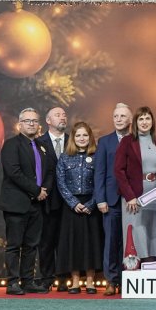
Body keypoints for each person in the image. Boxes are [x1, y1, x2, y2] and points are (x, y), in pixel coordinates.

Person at [0, 108, 53, 295]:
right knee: (14, 245)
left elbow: (49, 171)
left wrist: (44, 191)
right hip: (16, 203)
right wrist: (36, 190)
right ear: (19, 124)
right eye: (27, 121)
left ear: (39, 124)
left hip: (37, 204)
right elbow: (14, 173)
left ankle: (28, 281)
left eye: (34, 121)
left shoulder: (42, 146)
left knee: (31, 245)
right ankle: (12, 283)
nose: (31, 124)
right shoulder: (11, 145)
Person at [55, 121, 102, 294]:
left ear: (90, 137)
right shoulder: (65, 157)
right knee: (72, 243)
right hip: (71, 207)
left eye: (85, 135)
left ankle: (90, 281)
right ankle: (75, 281)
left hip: (91, 205)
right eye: (78, 135)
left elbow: (100, 182)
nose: (82, 138)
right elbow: (61, 183)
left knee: (91, 243)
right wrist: (73, 202)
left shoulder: (97, 156)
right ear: (73, 138)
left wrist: (91, 204)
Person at [113, 106, 156, 262]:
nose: (144, 122)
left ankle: (153, 264)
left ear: (152, 121)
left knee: (154, 230)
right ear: (135, 122)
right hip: (134, 196)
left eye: (147, 118)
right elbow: (119, 170)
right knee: (137, 231)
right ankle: (136, 267)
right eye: (140, 119)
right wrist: (129, 196)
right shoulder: (127, 141)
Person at [94, 103, 131, 296]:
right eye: (116, 116)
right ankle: (111, 280)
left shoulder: (137, 140)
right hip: (111, 200)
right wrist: (100, 199)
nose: (118, 119)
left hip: (133, 200)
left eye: (122, 116)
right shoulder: (104, 142)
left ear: (130, 120)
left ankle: (128, 280)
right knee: (111, 243)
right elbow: (99, 172)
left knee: (130, 242)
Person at [36, 106, 68, 291]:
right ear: (48, 120)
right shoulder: (38, 143)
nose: (62, 117)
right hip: (47, 200)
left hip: (70, 201)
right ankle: (47, 278)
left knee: (65, 241)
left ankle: (64, 278)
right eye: (57, 115)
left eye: (64, 115)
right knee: (46, 241)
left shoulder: (74, 141)